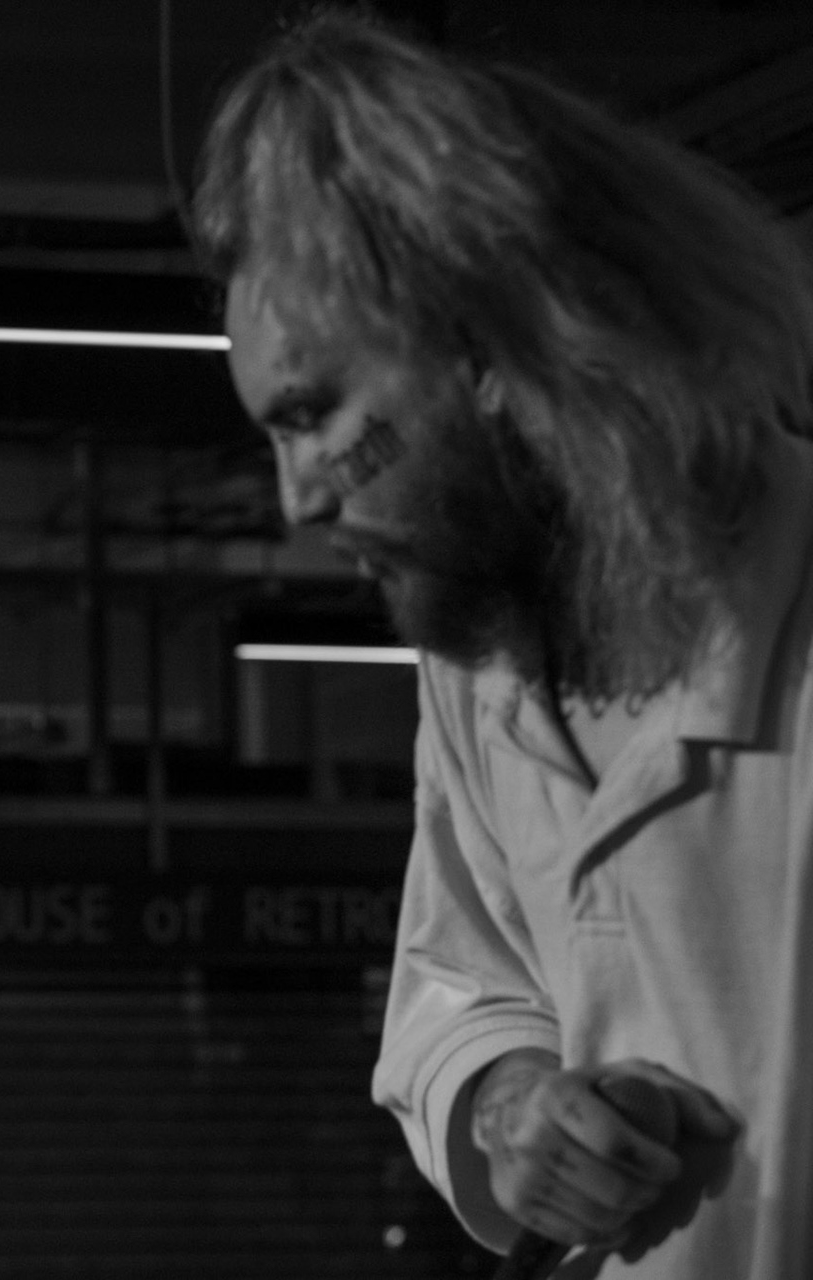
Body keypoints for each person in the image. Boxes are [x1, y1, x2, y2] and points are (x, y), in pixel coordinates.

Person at [193, 12, 813, 1279]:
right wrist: (509, 1100)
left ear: (490, 341)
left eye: (313, 414)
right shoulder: (483, 659)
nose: (296, 498)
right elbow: (460, 984)